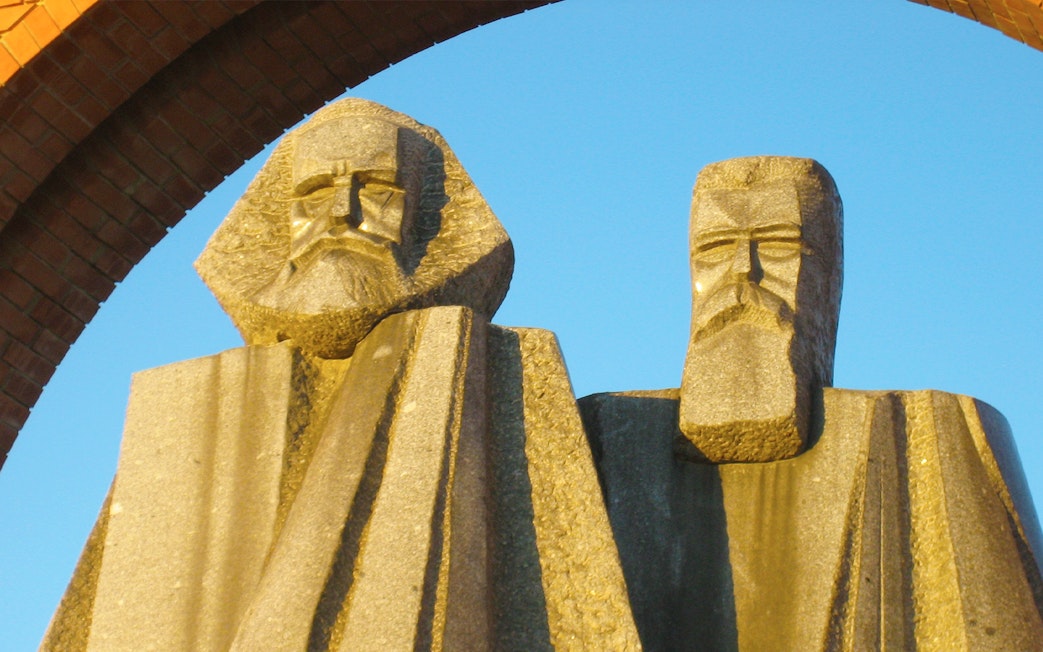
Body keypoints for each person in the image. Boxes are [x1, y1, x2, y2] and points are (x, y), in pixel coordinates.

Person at [43, 99, 639, 651]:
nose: (340, 211)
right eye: (313, 192)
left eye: (376, 187)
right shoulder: (186, 410)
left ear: (425, 213)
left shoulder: (504, 362)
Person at [581, 156, 1043, 650]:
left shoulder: (936, 429)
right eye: (715, 249)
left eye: (778, 244)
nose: (742, 272)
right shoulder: (606, 436)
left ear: (827, 277)